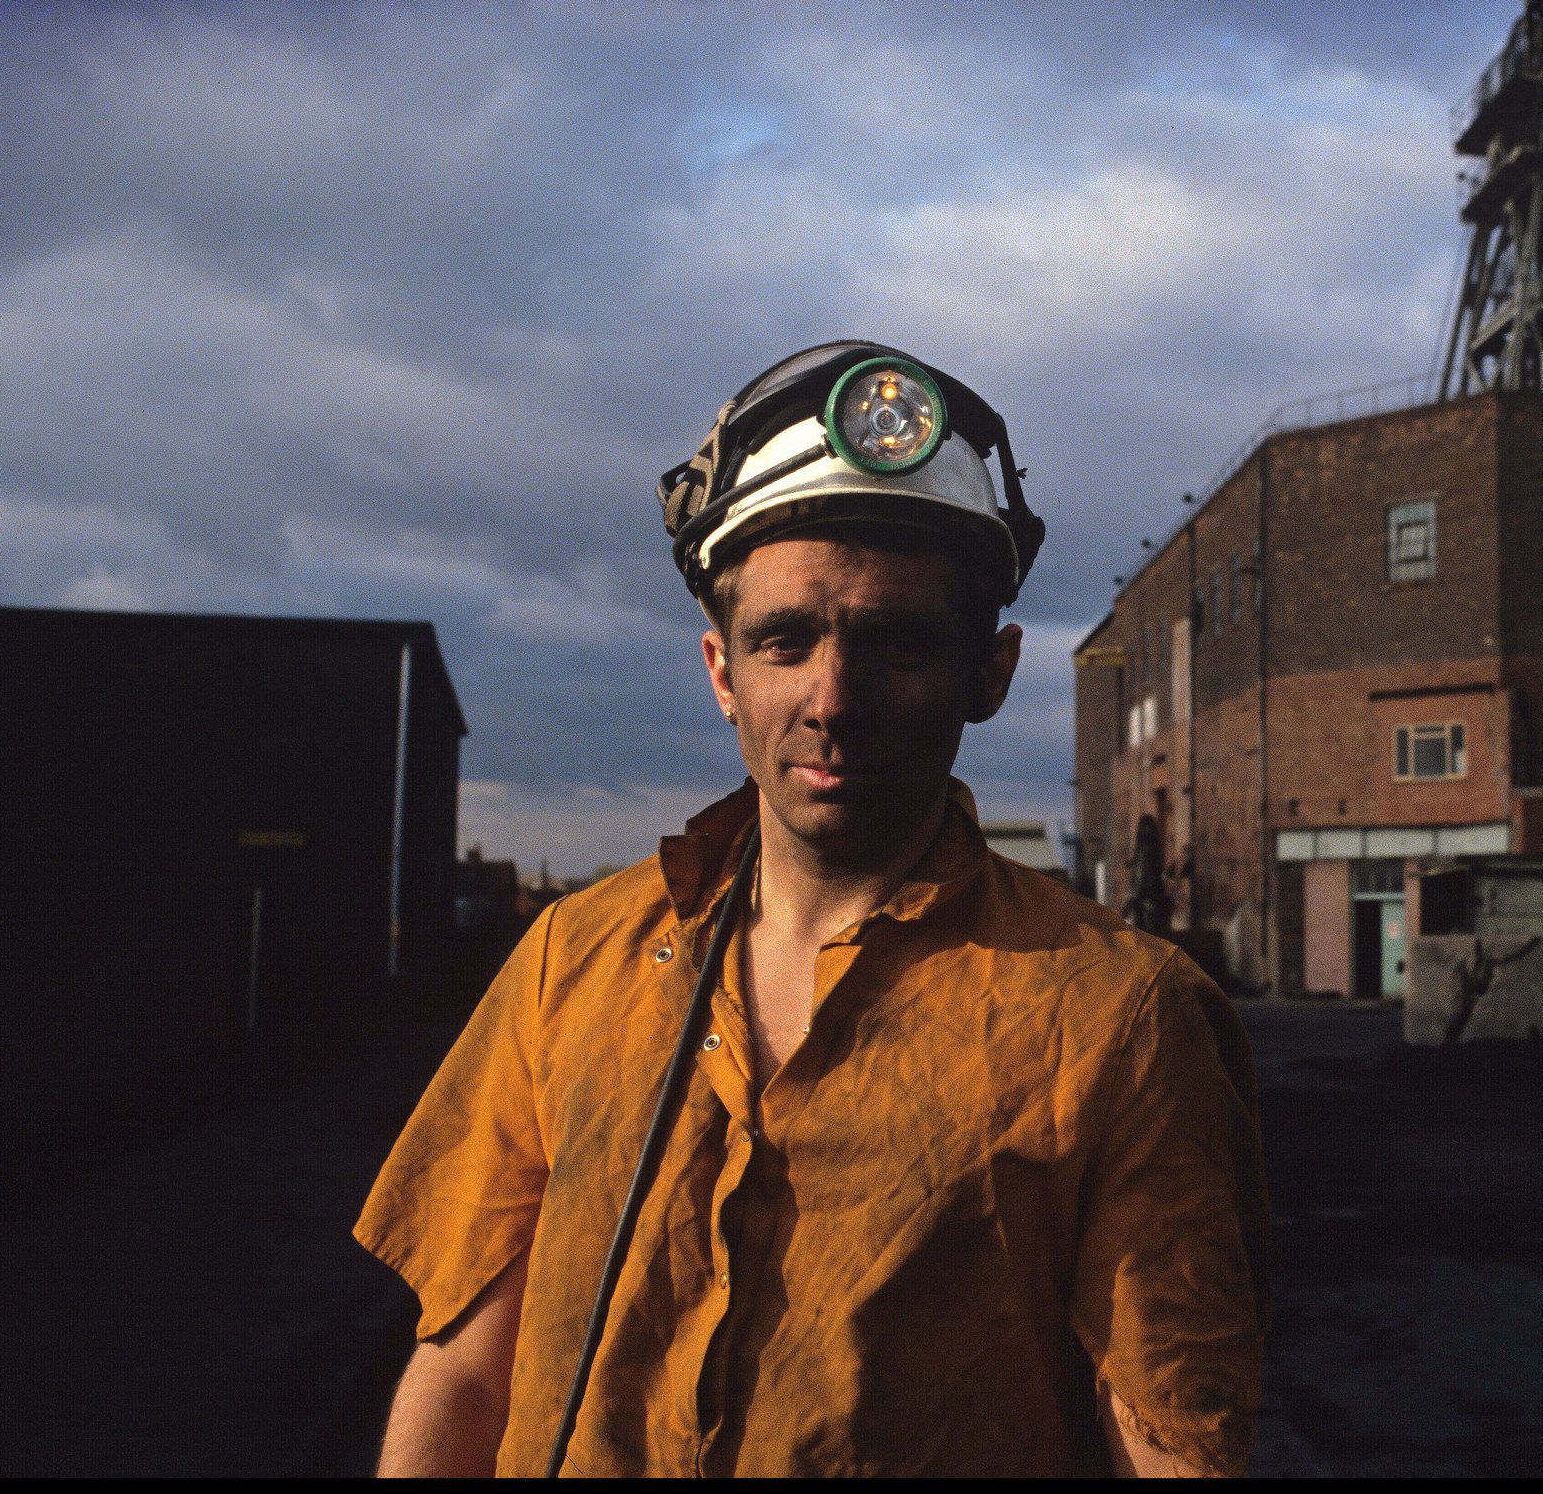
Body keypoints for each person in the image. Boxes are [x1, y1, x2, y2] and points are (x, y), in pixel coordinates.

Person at [356, 341, 1270, 1477]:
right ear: (721, 672)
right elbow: (463, 1373)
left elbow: (1167, 1449)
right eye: (785, 640)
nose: (832, 700)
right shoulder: (571, 959)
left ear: (988, 675)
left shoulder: (1119, 1016)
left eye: (897, 641)